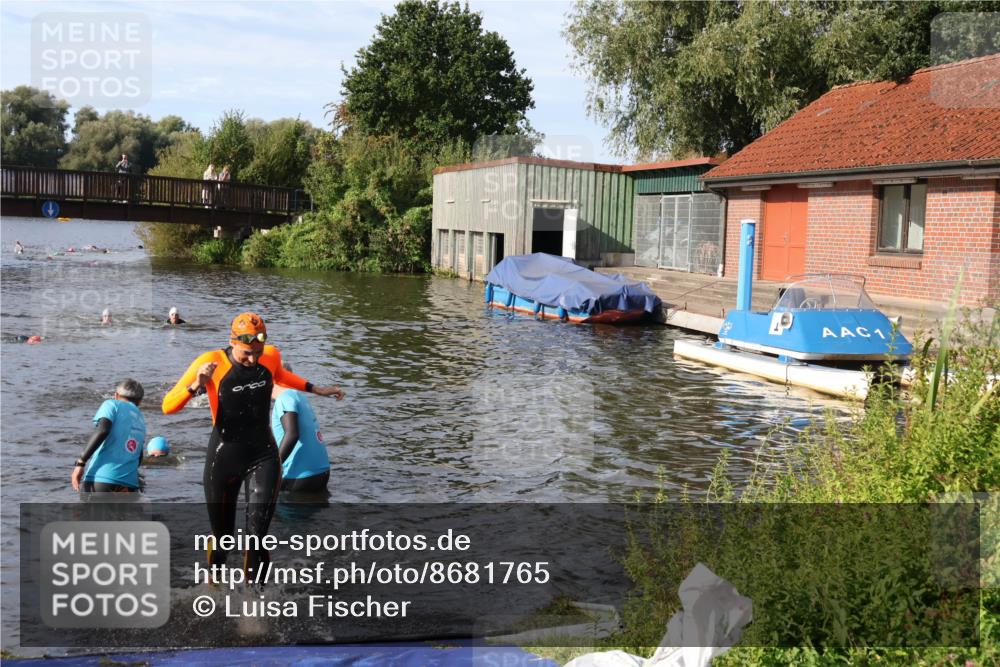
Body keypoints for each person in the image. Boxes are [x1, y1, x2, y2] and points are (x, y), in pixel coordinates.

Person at [162, 312, 344, 577]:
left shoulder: (270, 355)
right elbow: (167, 406)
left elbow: (280, 375)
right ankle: (216, 585)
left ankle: (255, 602)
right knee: (223, 538)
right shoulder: (209, 362)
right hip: (224, 456)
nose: (253, 359)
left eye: (257, 352)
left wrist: (317, 389)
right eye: (247, 353)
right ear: (232, 341)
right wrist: (195, 386)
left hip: (263, 455)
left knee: (257, 537)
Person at [72, 379, 146, 493]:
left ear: (116, 395)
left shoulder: (111, 404)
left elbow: (103, 430)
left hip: (102, 478)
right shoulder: (141, 418)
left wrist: (81, 462)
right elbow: (139, 455)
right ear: (140, 401)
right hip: (130, 484)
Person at [272, 362, 331, 493]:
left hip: (301, 476)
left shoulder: (284, 398)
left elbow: (292, 434)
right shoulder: (299, 396)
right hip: (322, 471)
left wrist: (273, 467)